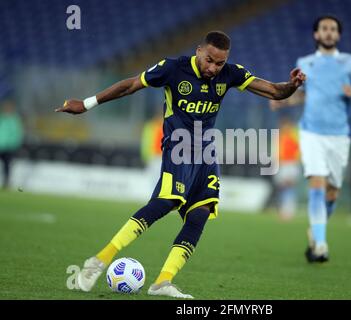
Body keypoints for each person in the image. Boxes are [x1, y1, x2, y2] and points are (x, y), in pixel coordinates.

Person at [55, 31, 306, 298]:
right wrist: (86, 103)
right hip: (178, 147)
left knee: (201, 213)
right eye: (209, 60)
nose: (213, 68)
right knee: (167, 201)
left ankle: (162, 282)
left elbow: (274, 91)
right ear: (199, 50)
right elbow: (130, 85)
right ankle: (99, 261)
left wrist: (292, 86)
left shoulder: (230, 74)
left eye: (219, 63)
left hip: (206, 153)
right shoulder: (172, 68)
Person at [271, 16, 351, 263]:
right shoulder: (305, 63)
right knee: (316, 183)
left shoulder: (350, 63)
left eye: (333, 29)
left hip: (339, 135)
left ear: (338, 35)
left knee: (332, 192)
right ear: (316, 34)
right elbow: (304, 96)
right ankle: (321, 244)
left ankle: (316, 230)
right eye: (324, 29)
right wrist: (284, 100)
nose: (328, 33)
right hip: (311, 132)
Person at [274, 117, 301, 221]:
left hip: (291, 164)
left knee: (289, 187)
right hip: (282, 164)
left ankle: (288, 211)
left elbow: (298, 151)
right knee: (283, 188)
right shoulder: (281, 136)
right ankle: (284, 210)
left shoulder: (294, 136)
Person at [0, 100, 24, 189]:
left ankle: (6, 182)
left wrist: (14, 144)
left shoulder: (14, 120)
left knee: (7, 165)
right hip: (1, 145)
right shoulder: (1, 118)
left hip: (9, 147)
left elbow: (17, 133)